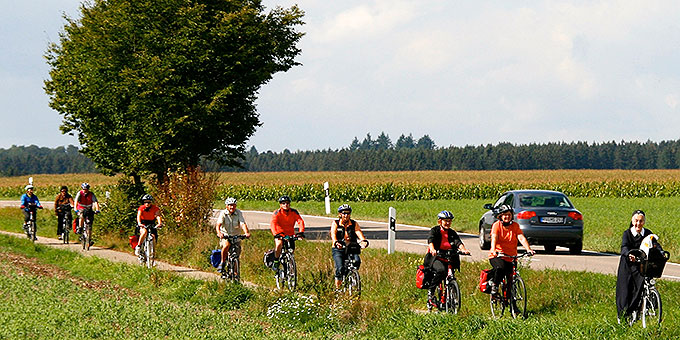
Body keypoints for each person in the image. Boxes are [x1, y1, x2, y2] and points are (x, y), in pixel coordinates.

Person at [616, 209, 661, 323]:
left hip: (641, 265)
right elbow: (624, 247)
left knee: (640, 287)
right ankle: (622, 317)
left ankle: (640, 309)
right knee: (625, 291)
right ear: (632, 221)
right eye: (636, 221)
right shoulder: (627, 234)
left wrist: (661, 252)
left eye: (641, 221)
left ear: (644, 222)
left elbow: (655, 244)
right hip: (628, 266)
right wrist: (628, 254)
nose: (638, 224)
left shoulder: (647, 234)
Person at [487, 204, 535, 308]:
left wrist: (528, 249)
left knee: (511, 282)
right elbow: (494, 237)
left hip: (511, 257)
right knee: (500, 268)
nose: (507, 217)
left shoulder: (515, 226)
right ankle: (494, 285)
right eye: (504, 215)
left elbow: (521, 238)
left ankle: (513, 307)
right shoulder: (496, 225)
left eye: (509, 215)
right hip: (498, 255)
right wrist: (493, 249)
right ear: (500, 216)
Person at [424, 210, 471, 305]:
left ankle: (449, 293)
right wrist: (432, 249)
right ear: (440, 221)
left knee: (450, 274)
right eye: (445, 221)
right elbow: (431, 240)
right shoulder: (435, 230)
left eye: (449, 221)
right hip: (436, 257)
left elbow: (458, 242)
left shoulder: (452, 233)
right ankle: (431, 291)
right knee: (441, 271)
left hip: (450, 257)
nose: (448, 223)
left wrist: (463, 249)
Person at [330, 204, 369, 289]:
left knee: (357, 261)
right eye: (344, 213)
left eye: (348, 213)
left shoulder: (354, 223)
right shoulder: (336, 223)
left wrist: (363, 241)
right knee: (340, 268)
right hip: (338, 248)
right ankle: (338, 289)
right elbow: (333, 234)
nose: (346, 215)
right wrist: (336, 242)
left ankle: (352, 276)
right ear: (340, 214)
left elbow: (358, 232)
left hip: (351, 247)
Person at [269, 195, 305, 270]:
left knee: (291, 250)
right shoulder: (277, 213)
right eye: (283, 203)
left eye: (287, 203)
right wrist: (275, 234)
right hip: (280, 233)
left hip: (290, 234)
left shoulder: (294, 212)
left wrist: (301, 232)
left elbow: (300, 221)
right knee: (279, 244)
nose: (286, 205)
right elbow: (273, 224)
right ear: (280, 204)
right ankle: (276, 261)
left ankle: (290, 266)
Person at [215, 197, 251, 272]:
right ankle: (222, 262)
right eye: (230, 205)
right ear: (226, 206)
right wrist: (219, 233)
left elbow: (242, 224)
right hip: (226, 236)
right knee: (226, 245)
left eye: (234, 205)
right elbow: (218, 225)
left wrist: (246, 232)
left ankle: (235, 276)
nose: (232, 207)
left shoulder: (238, 213)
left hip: (236, 236)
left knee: (236, 256)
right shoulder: (223, 213)